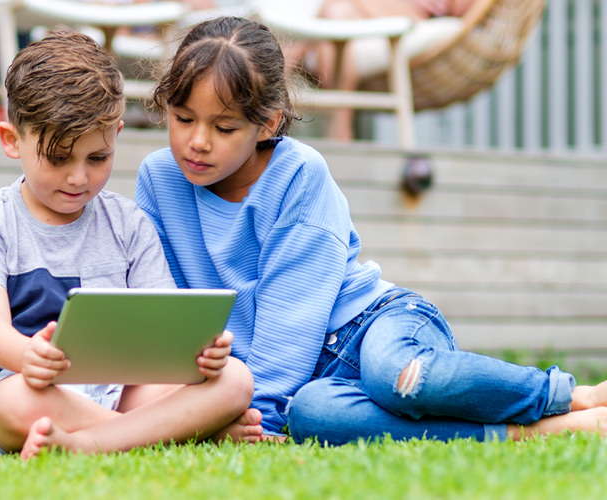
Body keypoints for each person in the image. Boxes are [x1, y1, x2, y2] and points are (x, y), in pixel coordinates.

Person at [134, 15, 607, 445]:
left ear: (267, 124)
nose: (197, 141)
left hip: (373, 325)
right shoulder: (158, 180)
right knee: (316, 418)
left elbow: (290, 320)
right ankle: (527, 433)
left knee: (396, 375)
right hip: (314, 383)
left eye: (224, 127)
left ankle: (568, 397)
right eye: (183, 119)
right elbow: (166, 306)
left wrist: (258, 418)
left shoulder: (298, 174)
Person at [0, 27, 260, 459]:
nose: (79, 178)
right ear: (11, 140)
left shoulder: (129, 224)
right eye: (58, 159)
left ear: (115, 134)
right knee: (21, 402)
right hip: (25, 386)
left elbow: (165, 323)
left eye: (98, 158)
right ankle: (178, 431)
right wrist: (28, 355)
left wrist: (200, 351)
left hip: (117, 390)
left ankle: (88, 443)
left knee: (235, 379)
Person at [282, 0, 477, 141]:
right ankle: (340, 129)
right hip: (358, 14)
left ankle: (269, 99)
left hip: (415, 15)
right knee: (338, 11)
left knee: (333, 9)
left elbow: (465, 8)